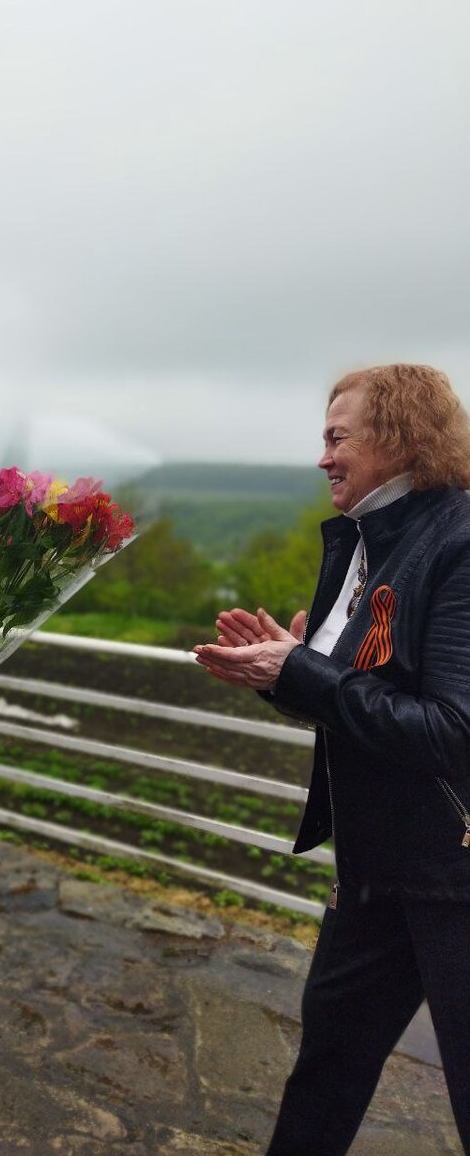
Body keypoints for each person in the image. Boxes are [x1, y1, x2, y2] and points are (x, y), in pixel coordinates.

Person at [193, 364, 470, 1155]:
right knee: (326, 1070)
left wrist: (302, 671)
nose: (322, 457)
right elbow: (359, 700)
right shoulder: (368, 541)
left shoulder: (459, 541)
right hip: (379, 869)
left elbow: (452, 729)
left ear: (400, 435)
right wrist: (280, 676)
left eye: (335, 437)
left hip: (455, 880)